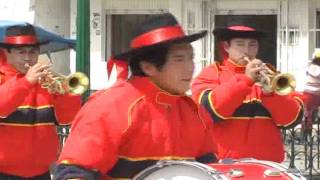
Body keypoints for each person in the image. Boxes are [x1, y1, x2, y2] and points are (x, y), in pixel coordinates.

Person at [54, 13, 217, 179]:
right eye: (179, 59)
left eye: (191, 58)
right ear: (148, 67)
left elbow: (208, 170)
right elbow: (74, 173)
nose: (190, 67)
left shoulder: (193, 111)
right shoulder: (111, 106)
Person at [191, 19, 304, 163]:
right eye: (240, 44)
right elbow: (210, 111)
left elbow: (291, 120)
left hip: (268, 166)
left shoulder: (271, 74)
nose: (247, 50)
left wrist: (270, 94)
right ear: (226, 46)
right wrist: (246, 80)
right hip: (225, 165)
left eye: (252, 45)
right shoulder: (212, 73)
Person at [0, 24, 81, 179]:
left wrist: (65, 94)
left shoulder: (45, 82)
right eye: (21, 52)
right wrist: (26, 82)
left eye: (33, 52)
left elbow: (67, 119)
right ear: (6, 52)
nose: (27, 58)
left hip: (41, 172)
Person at [301, 49, 320, 133]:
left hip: (314, 94)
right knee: (308, 114)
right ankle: (305, 134)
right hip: (311, 94)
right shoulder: (314, 67)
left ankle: (307, 134)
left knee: (309, 114)